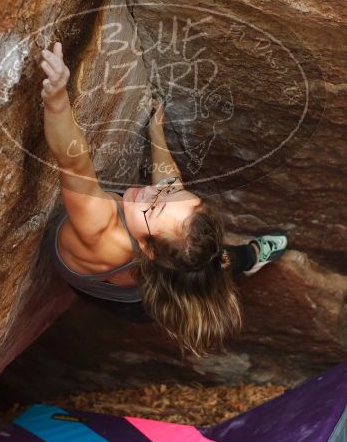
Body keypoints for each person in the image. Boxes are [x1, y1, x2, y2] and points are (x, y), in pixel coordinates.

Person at [40, 41, 288, 356]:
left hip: (134, 302)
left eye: (153, 207)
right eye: (171, 193)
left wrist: (57, 97)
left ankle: (250, 257)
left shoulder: (100, 229)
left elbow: (73, 160)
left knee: (209, 268)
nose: (152, 191)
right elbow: (169, 181)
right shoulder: (164, 227)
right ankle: (250, 257)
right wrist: (157, 134)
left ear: (148, 249)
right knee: (208, 261)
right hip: (172, 265)